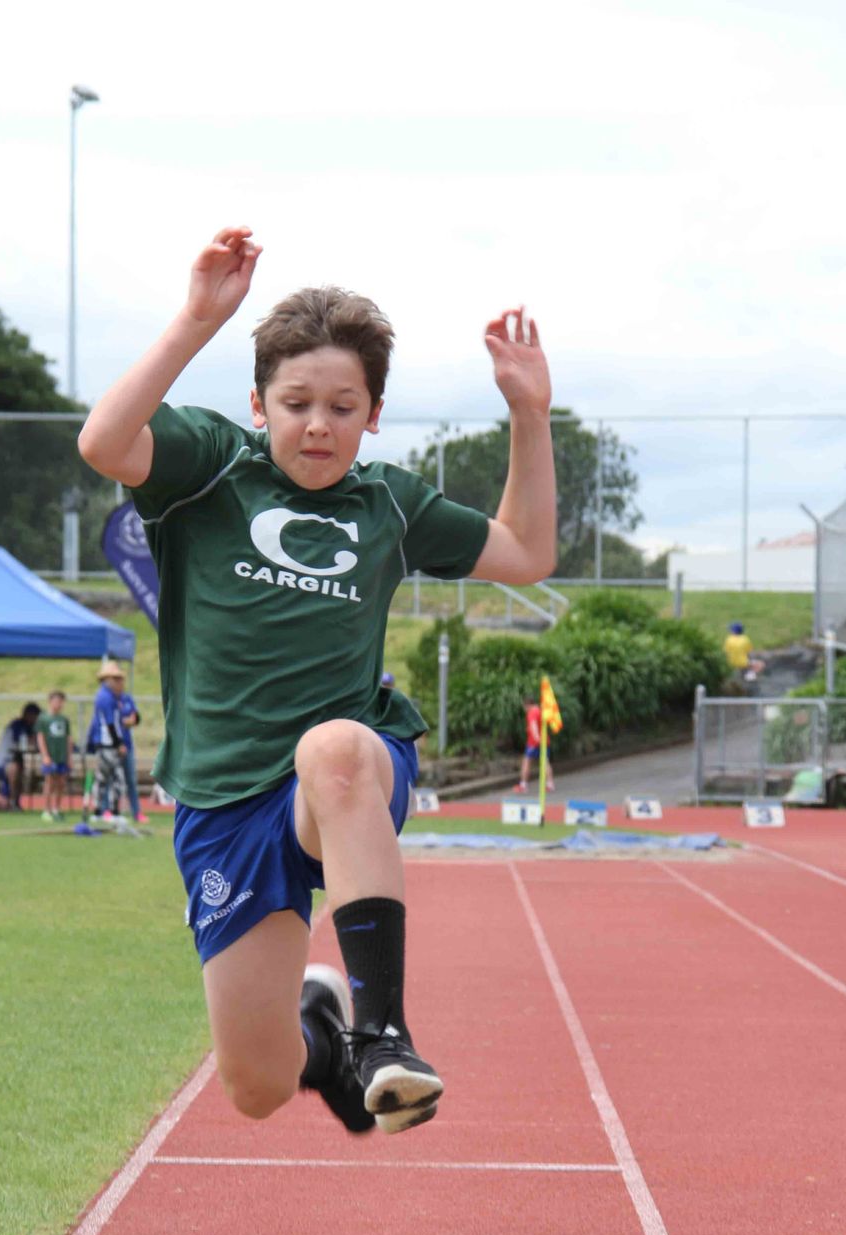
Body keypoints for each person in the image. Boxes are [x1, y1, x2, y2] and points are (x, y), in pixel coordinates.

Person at [78, 225, 556, 1135]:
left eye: (343, 406)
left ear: (372, 415)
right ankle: (325, 1040)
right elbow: (104, 441)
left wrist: (529, 415)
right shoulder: (210, 466)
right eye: (295, 402)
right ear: (259, 405)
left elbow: (527, 552)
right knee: (257, 1086)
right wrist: (196, 320)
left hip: (341, 782)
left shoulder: (389, 505)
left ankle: (382, 1033)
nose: (317, 424)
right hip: (225, 801)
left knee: (333, 749)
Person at [87, 661, 144, 824]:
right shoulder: (105, 697)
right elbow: (110, 724)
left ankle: (105, 811)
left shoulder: (116, 697)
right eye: (115, 679)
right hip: (108, 745)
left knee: (110, 778)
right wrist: (118, 744)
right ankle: (108, 811)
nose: (119, 682)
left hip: (111, 744)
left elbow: (132, 718)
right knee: (113, 778)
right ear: (107, 679)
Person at [0, 703, 40, 810]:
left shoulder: (29, 727)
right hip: (3, 763)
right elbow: (24, 743)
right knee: (15, 769)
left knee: (18, 769)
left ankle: (14, 802)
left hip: (13, 760)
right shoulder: (17, 725)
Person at [37, 690, 75, 820]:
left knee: (61, 783)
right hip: (50, 756)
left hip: (62, 756)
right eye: (56, 701)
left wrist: (69, 757)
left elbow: (69, 738)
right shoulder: (44, 719)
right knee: (50, 782)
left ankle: (56, 808)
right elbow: (40, 737)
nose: (58, 704)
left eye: (61, 701)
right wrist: (45, 755)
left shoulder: (64, 720)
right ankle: (46, 810)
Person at [515, 693, 554, 794]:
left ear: (527, 705)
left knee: (526, 762)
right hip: (544, 740)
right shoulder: (540, 710)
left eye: (524, 706)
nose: (524, 709)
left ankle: (523, 785)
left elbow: (533, 726)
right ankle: (550, 784)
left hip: (534, 742)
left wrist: (536, 738)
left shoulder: (531, 713)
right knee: (545, 762)